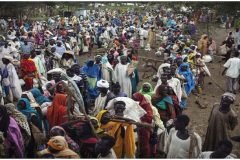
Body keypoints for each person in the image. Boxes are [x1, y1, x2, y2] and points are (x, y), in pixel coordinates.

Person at [133, 92, 153, 158]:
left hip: (144, 127)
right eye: (133, 99)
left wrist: (139, 119)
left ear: (140, 99)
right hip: (135, 127)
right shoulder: (133, 105)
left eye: (136, 99)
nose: (134, 101)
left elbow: (149, 118)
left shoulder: (146, 105)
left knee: (144, 144)